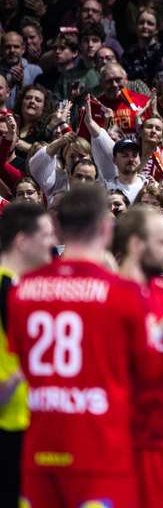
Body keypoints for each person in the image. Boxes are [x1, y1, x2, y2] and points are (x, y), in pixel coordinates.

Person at [7, 184, 155, 506]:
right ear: (105, 227)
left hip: (41, 451)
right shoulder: (124, 295)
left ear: (58, 226)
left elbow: (19, 362)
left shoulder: (22, 292)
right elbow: (145, 374)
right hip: (100, 452)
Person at [112, 205, 163, 508]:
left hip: (162, 447)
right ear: (135, 244)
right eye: (162, 242)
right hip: (111, 445)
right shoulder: (103, 296)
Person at [0, 201, 56, 507]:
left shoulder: (20, 289)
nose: (51, 242)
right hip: (9, 430)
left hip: (24, 428)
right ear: (22, 240)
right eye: (45, 234)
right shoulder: (6, 289)